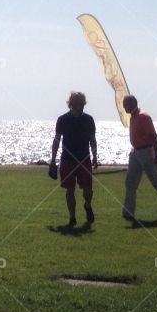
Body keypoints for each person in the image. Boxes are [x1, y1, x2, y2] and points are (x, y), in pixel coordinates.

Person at [122, 95, 157, 223]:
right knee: (130, 182)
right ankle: (128, 212)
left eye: (125, 105)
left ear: (132, 104)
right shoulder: (133, 117)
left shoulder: (143, 117)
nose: (124, 107)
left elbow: (153, 138)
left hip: (146, 151)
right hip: (136, 152)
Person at [50, 90, 98, 227]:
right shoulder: (62, 120)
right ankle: (72, 217)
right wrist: (53, 160)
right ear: (71, 104)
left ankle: (87, 205)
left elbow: (92, 140)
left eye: (82, 104)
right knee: (69, 190)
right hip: (67, 160)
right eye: (77, 103)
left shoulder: (89, 120)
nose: (80, 106)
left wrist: (95, 156)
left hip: (84, 159)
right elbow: (57, 140)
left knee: (88, 190)